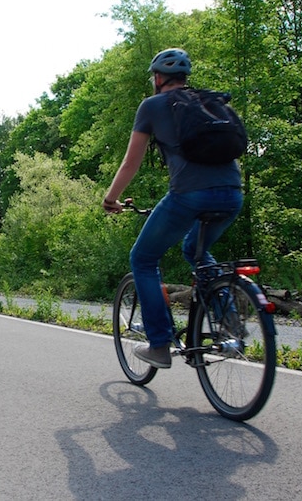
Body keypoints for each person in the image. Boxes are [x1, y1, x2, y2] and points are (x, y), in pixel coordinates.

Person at [102, 48, 243, 368]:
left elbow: (130, 163)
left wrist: (111, 200)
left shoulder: (152, 106)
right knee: (195, 248)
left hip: (189, 195)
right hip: (233, 194)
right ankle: (230, 321)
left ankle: (160, 344)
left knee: (143, 258)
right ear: (184, 77)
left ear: (157, 78)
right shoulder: (208, 101)